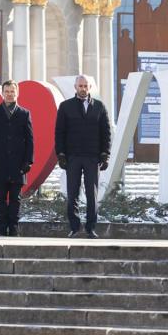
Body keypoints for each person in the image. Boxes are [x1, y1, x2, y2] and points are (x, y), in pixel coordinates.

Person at [55, 75, 112, 239]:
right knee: (72, 193)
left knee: (91, 194)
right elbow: (59, 132)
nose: (83, 89)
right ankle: (74, 227)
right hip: (72, 156)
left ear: (90, 87)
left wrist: (105, 154)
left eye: (86, 86)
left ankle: (90, 228)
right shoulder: (65, 106)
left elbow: (106, 132)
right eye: (80, 86)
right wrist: (61, 154)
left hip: (92, 157)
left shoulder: (99, 106)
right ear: (75, 87)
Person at [0, 80, 34, 237]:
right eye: (7, 91)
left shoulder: (24, 114)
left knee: (15, 198)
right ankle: (1, 227)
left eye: (12, 91)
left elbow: (30, 139)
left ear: (17, 93)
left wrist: (28, 161)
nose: (10, 94)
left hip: (18, 164)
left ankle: (13, 227)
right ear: (2, 93)